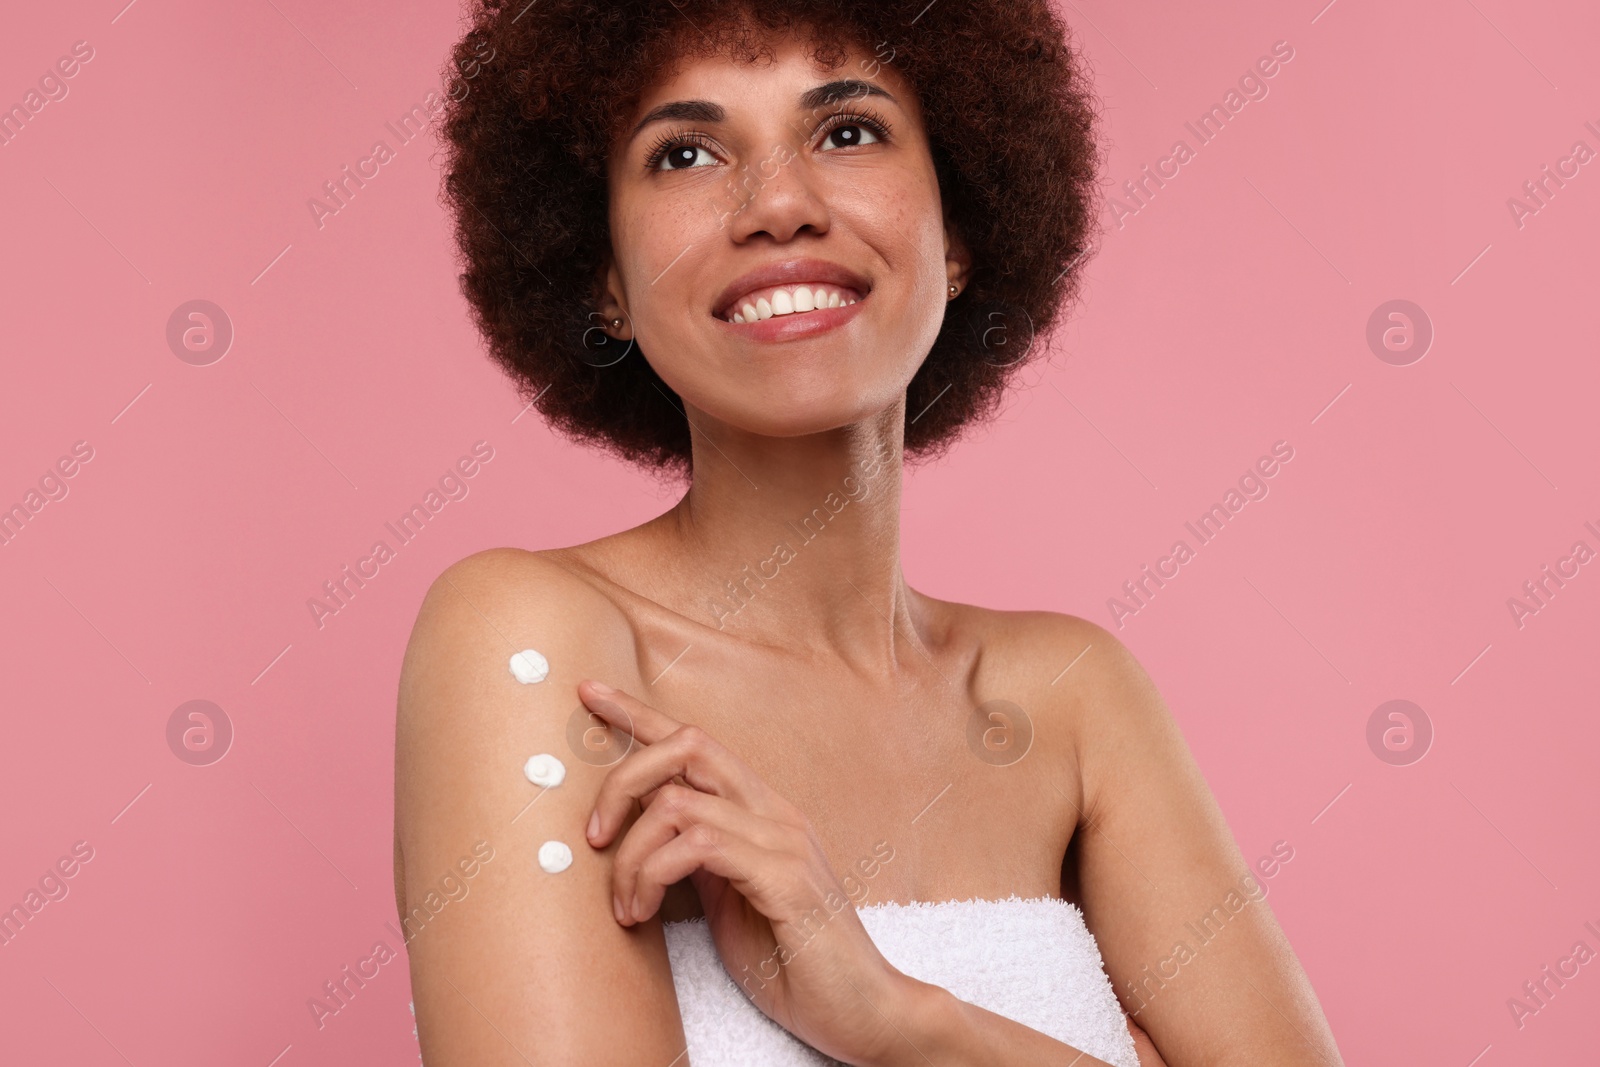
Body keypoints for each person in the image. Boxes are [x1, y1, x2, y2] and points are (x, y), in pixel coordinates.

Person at [393, 2, 1345, 1064]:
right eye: (687, 152)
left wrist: (898, 1019)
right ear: (603, 278)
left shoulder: (1070, 697)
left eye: (846, 131)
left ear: (961, 234)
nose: (779, 204)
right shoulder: (535, 645)